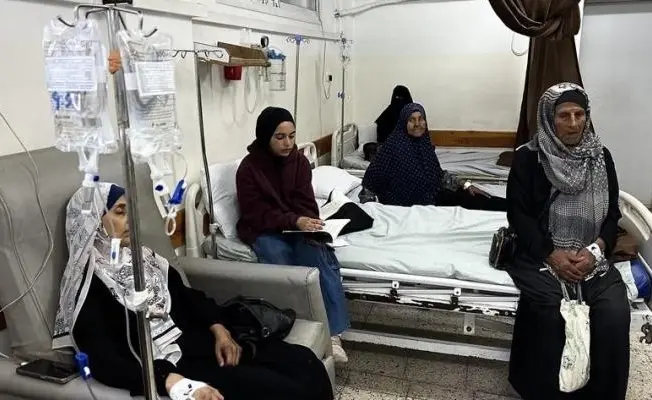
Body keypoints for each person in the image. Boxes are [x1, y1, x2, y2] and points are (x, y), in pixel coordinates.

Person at [52, 183, 333, 400]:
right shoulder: (86, 288)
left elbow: (188, 297)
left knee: (305, 363)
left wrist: (220, 330)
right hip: (174, 366)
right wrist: (171, 380)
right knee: (287, 392)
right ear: (92, 221)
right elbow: (105, 360)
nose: (131, 221)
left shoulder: (144, 259)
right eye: (119, 212)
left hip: (200, 343)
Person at [506, 83, 629, 400]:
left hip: (592, 256)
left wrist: (596, 250)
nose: (573, 123)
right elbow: (519, 216)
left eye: (579, 114)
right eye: (564, 115)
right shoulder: (528, 159)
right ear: (549, 118)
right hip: (541, 254)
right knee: (549, 312)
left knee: (613, 313)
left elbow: (612, 214)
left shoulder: (601, 157)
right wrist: (552, 254)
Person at [235, 107, 351, 363]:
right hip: (263, 228)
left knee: (316, 254)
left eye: (292, 136)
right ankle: (297, 327)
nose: (288, 143)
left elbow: (306, 201)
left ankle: (333, 335)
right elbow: (255, 213)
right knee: (280, 256)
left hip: (295, 225)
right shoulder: (249, 169)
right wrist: (293, 220)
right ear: (265, 136)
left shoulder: (298, 162)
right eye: (280, 137)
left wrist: (307, 221)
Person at [362, 102, 507, 211]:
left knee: (480, 199)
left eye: (421, 119)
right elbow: (369, 184)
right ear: (403, 123)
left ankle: (515, 208)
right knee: (477, 204)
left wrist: (465, 184)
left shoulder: (423, 144)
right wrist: (374, 212)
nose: (417, 124)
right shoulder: (391, 148)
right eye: (412, 120)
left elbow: (438, 175)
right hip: (408, 208)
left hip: (433, 196)